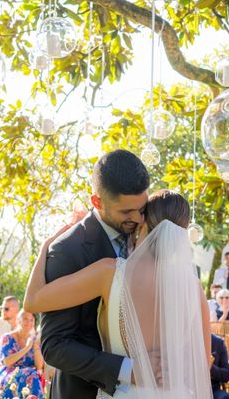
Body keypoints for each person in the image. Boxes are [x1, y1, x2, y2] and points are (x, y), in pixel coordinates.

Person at [25, 189, 213, 398]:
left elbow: (32, 301)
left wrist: (45, 247)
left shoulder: (111, 272)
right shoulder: (194, 287)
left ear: (142, 223)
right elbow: (205, 362)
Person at [36, 149, 150, 399]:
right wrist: (127, 370)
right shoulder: (68, 249)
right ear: (97, 202)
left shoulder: (150, 231)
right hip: (85, 392)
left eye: (141, 208)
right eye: (126, 212)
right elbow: (54, 346)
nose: (138, 218)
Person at [0, 310, 44, 399]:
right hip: (9, 374)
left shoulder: (34, 339)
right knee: (31, 374)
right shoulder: (8, 338)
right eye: (25, 319)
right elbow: (7, 362)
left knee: (32, 374)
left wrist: (35, 346)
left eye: (31, 320)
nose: (29, 322)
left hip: (29, 374)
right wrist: (27, 348)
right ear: (18, 320)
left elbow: (39, 366)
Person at [210, 334, 229, 399]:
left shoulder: (217, 342)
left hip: (213, 390)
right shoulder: (184, 341)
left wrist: (211, 368)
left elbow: (227, 375)